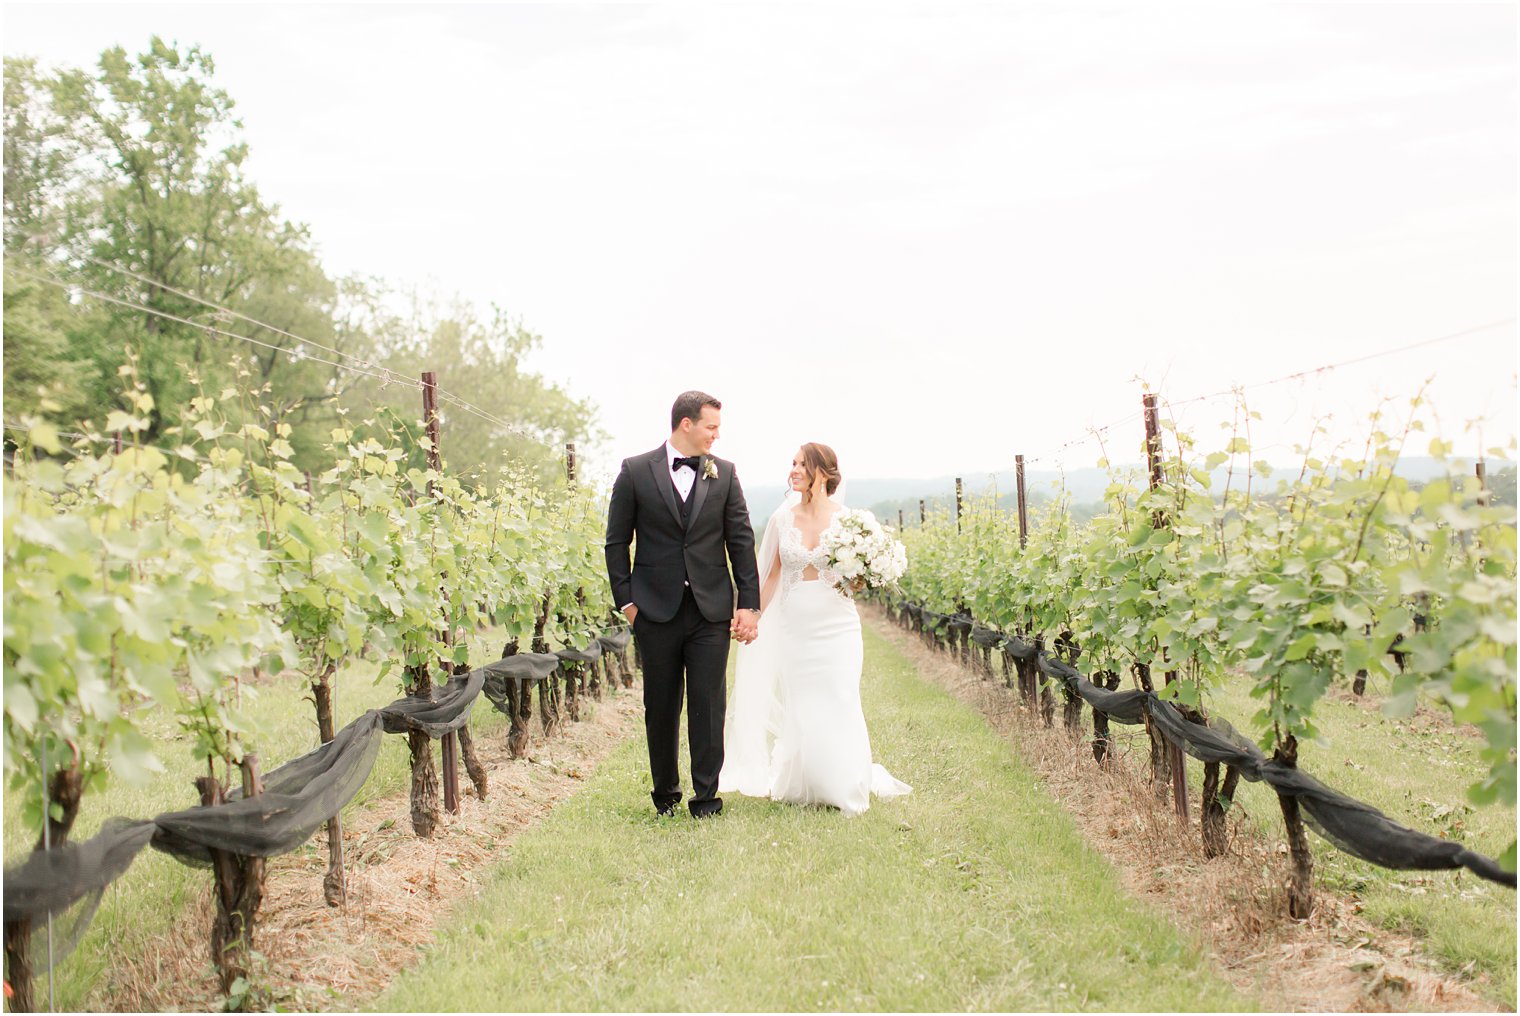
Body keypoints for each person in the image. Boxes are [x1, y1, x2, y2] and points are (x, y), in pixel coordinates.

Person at [719, 442, 911, 816]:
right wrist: (753, 614)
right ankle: (805, 780)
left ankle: (844, 785)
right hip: (795, 625)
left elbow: (859, 576)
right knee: (803, 703)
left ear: (822, 472)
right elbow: (773, 574)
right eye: (791, 464)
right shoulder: (781, 520)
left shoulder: (851, 522)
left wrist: (862, 578)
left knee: (839, 698)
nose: (792, 470)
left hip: (837, 626)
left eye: (800, 465)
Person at [604, 391, 761, 818]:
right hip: (654, 610)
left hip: (711, 609)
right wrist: (628, 604)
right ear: (686, 424)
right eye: (711, 426)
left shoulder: (724, 474)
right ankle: (665, 796)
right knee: (661, 704)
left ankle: (706, 798)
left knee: (710, 705)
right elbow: (617, 542)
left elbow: (741, 541)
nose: (716, 435)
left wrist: (748, 603)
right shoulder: (636, 471)